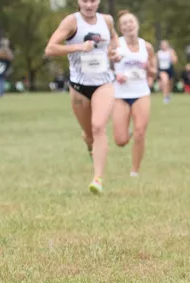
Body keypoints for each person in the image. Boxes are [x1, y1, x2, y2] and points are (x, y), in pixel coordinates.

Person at [44, 0, 121, 194]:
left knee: (98, 127)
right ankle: (90, 146)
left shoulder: (107, 20)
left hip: (104, 83)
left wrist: (114, 53)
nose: (89, 5)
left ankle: (98, 179)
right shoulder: (71, 22)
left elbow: (114, 41)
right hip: (79, 87)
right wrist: (77, 47)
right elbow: (50, 49)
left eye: (93, 0)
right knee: (89, 134)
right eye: (85, 0)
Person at [112, 10, 155, 177]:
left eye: (130, 22)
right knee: (120, 140)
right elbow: (104, 67)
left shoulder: (147, 47)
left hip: (141, 92)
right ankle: (126, 133)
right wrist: (117, 75)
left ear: (137, 24)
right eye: (124, 24)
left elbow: (154, 72)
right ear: (121, 29)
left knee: (140, 132)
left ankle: (134, 171)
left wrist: (148, 68)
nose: (128, 25)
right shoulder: (116, 45)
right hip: (120, 95)